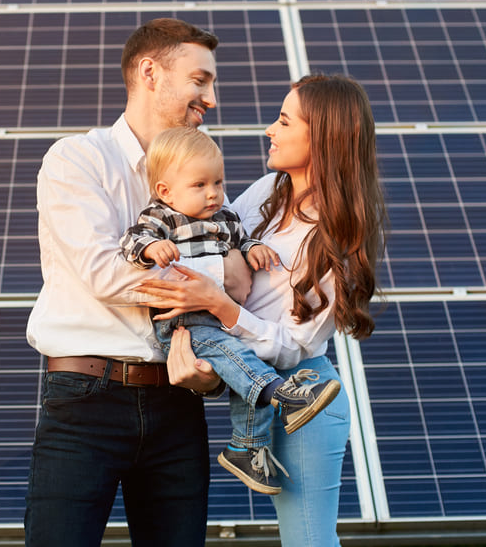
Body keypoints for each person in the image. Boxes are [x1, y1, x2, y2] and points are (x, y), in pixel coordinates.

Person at [24, 17, 252, 547]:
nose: (211, 98)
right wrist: (220, 275)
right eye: (200, 80)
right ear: (150, 72)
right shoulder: (77, 159)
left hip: (179, 402)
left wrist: (212, 369)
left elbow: (238, 296)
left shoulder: (206, 178)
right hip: (86, 400)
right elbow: (105, 273)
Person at [135, 74, 386, 547]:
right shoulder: (270, 190)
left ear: (325, 137)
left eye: (285, 121)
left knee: (308, 541)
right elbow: (211, 233)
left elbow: (295, 346)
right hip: (253, 381)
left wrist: (220, 306)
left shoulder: (338, 238)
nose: (270, 129)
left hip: (308, 395)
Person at [119, 124, 341, 494]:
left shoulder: (225, 217)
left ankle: (247, 447)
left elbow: (243, 239)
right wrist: (149, 249)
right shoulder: (163, 217)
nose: (214, 194)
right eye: (200, 185)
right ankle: (282, 395)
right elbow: (132, 240)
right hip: (184, 322)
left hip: (220, 319)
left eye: (218, 183)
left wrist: (254, 249)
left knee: (244, 358)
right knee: (236, 355)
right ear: (165, 191)